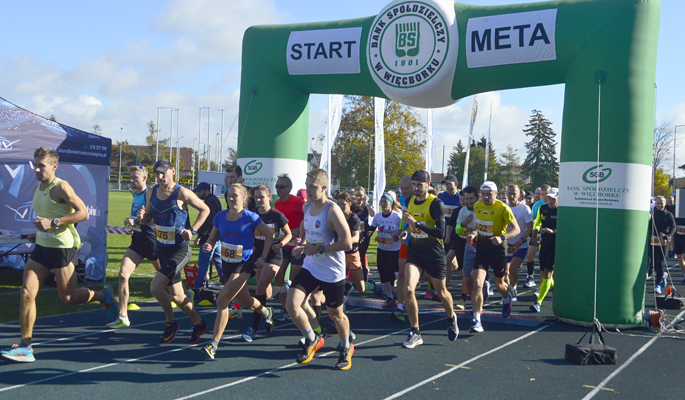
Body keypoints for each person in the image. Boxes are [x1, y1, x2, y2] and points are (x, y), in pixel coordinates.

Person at [1, 147, 116, 363]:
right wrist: (39, 233)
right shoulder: (37, 189)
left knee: (68, 298)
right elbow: (45, 218)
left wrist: (54, 223)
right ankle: (26, 346)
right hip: (42, 248)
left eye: (41, 165)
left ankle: (103, 296)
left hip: (63, 248)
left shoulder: (62, 187)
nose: (36, 169)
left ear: (54, 166)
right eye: (35, 164)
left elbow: (83, 212)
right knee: (26, 293)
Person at [287, 169, 354, 370]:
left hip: (332, 271)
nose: (307, 190)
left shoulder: (332, 210)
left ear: (324, 188)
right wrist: (302, 246)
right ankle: (312, 338)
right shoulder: (307, 207)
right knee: (292, 304)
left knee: (336, 315)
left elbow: (347, 242)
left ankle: (345, 346)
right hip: (311, 266)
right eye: (306, 185)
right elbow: (308, 232)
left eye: (312, 187)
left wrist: (320, 248)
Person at [137, 159, 210, 345]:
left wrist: (192, 230)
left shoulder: (182, 193)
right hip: (162, 248)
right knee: (177, 296)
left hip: (180, 249)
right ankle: (199, 323)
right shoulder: (152, 192)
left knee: (155, 287)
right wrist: (141, 218)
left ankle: (171, 323)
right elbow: (149, 219)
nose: (160, 177)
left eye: (164, 173)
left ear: (173, 171)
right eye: (157, 174)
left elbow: (205, 209)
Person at [199, 184, 275, 358]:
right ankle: (265, 311)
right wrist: (209, 244)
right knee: (245, 299)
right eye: (229, 196)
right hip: (227, 264)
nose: (231, 199)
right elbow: (213, 237)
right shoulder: (219, 216)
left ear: (243, 198)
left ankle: (213, 345)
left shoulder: (250, 217)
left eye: (235, 195)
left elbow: (269, 234)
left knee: (222, 299)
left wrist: (263, 255)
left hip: (244, 264)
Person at [394, 170, 457, 348]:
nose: (415, 188)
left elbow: (440, 232)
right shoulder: (410, 201)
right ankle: (415, 332)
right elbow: (409, 222)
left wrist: (416, 224)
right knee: (407, 288)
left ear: (428, 185)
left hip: (433, 253)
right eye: (414, 184)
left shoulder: (436, 204)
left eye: (419, 185)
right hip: (415, 251)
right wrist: (404, 231)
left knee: (441, 292)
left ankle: (451, 318)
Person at [107, 165, 161, 328]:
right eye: (130, 177)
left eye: (135, 177)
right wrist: (132, 223)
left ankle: (186, 295)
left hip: (151, 241)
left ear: (144, 178)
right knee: (123, 275)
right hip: (137, 241)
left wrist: (137, 222)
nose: (131, 180)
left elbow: (156, 218)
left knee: (166, 277)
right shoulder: (136, 195)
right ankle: (123, 316)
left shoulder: (149, 195)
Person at [241, 184, 291, 342]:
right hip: (258, 255)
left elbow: (288, 234)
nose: (258, 200)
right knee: (267, 294)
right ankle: (282, 290)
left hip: (274, 255)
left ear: (269, 197)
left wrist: (281, 244)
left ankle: (254, 327)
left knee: (260, 288)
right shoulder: (253, 214)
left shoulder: (277, 216)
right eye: (255, 197)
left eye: (261, 197)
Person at [469, 181, 520, 333]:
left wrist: (502, 238)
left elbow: (516, 229)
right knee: (477, 283)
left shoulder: (503, 208)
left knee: (500, 285)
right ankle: (477, 319)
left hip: (498, 251)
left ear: (496, 194)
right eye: (483, 194)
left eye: (489, 194)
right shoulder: (477, 206)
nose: (485, 197)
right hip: (482, 251)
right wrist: (473, 233)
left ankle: (506, 298)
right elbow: (479, 226)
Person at [274, 173, 306, 322]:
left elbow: (309, 219)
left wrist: (299, 232)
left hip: (298, 245)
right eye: (277, 186)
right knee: (279, 275)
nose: (278, 189)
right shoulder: (277, 204)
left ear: (289, 188)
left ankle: (297, 306)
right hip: (284, 243)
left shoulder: (299, 201)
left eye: (281, 186)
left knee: (294, 278)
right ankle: (284, 308)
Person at [336, 192, 378, 297]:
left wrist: (344, 241)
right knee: (336, 281)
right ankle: (342, 299)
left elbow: (356, 237)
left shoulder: (353, 218)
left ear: (349, 203)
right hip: (339, 254)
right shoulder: (336, 217)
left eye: (343, 204)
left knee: (361, 288)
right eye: (338, 204)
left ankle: (371, 285)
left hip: (352, 254)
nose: (340, 207)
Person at [369, 192, 404, 307]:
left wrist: (398, 235)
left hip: (394, 250)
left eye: (386, 202)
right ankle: (390, 297)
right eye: (382, 202)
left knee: (388, 273)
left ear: (391, 203)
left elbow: (403, 230)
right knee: (382, 275)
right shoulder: (378, 216)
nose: (383, 204)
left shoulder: (397, 216)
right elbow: (371, 230)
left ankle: (403, 276)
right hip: (381, 249)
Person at [530, 188, 559, 312]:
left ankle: (538, 303)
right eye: (549, 198)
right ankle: (555, 287)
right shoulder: (543, 208)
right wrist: (534, 237)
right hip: (544, 245)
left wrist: (553, 232)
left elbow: (568, 228)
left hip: (556, 246)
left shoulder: (562, 211)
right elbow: (537, 223)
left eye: (553, 198)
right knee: (544, 274)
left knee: (547, 273)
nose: (550, 201)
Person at [450, 186, 479, 311]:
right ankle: (473, 299)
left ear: (477, 198)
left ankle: (464, 298)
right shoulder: (462, 211)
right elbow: (457, 230)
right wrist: (464, 223)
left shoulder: (481, 210)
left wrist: (475, 233)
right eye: (466, 199)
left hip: (478, 245)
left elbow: (484, 227)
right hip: (462, 243)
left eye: (471, 198)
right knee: (465, 275)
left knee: (474, 275)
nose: (468, 201)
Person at [505, 185, 534, 302]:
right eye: (509, 193)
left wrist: (522, 239)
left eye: (514, 194)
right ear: (506, 194)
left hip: (520, 246)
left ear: (519, 195)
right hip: (506, 245)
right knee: (505, 272)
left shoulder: (525, 209)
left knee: (512, 270)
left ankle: (514, 286)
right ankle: (507, 293)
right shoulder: (503, 207)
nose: (511, 196)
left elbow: (529, 228)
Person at [193, 182, 223, 289]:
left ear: (206, 191)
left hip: (209, 237)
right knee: (217, 260)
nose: (197, 194)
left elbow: (209, 221)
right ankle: (225, 281)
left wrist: (200, 235)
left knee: (203, 262)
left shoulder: (209, 202)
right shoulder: (214, 199)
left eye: (199, 191)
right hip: (217, 236)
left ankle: (198, 286)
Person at [391, 176, 413, 322]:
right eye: (401, 188)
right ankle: (400, 307)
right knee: (402, 274)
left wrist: (408, 231)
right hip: (406, 242)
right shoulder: (403, 201)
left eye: (406, 188)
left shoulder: (424, 201)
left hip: (423, 243)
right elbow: (404, 221)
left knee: (432, 278)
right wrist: (400, 231)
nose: (403, 191)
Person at [646, 196, 676, 293]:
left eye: (661, 203)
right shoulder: (652, 214)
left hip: (663, 242)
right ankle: (662, 275)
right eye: (658, 203)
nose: (659, 205)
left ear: (665, 204)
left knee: (660, 264)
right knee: (654, 262)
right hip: (652, 241)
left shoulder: (669, 215)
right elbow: (648, 226)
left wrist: (667, 236)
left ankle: (657, 285)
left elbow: (673, 227)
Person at [437, 175, 461, 290]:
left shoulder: (460, 197)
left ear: (456, 184)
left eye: (449, 184)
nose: (447, 186)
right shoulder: (441, 196)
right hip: (444, 234)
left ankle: (444, 289)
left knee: (448, 262)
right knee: (451, 264)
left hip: (457, 234)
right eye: (445, 184)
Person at [523, 185, 550, 288]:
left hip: (550, 236)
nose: (544, 197)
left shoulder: (555, 204)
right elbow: (534, 220)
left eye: (545, 194)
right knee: (529, 255)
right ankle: (530, 277)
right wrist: (533, 235)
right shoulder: (537, 205)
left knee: (546, 261)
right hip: (538, 234)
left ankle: (547, 282)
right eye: (541, 194)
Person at [353, 186, 375, 281]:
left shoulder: (367, 205)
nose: (359, 197)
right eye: (357, 195)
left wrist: (366, 204)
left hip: (364, 233)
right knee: (354, 253)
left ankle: (363, 276)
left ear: (364, 196)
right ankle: (355, 275)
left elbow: (373, 214)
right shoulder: (352, 206)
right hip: (354, 232)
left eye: (361, 195)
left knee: (362, 254)